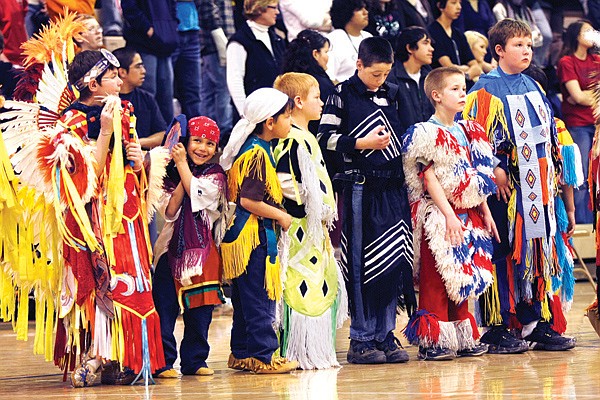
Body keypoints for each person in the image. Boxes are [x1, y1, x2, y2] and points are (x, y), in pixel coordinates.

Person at [463, 18, 577, 354]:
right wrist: (494, 168)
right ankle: (497, 326)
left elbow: (550, 133)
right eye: (518, 45)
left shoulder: (534, 86)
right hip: (504, 188)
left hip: (539, 184)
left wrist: (554, 168)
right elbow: (473, 138)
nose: (526, 50)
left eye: (529, 45)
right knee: (502, 251)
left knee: (537, 249)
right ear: (499, 50)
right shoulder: (484, 89)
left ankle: (536, 321)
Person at [61, 49, 167, 386]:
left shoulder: (124, 112)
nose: (120, 81)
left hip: (128, 213)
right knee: (104, 282)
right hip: (95, 219)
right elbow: (84, 178)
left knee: (134, 279)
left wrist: (139, 161)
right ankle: (98, 355)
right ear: (92, 84)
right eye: (112, 77)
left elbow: (131, 169)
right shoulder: (73, 122)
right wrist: (105, 132)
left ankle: (131, 357)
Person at [318, 36, 415, 364]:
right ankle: (360, 337)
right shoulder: (340, 95)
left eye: (386, 73)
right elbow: (324, 139)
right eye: (375, 73)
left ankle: (386, 332)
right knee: (361, 262)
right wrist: (361, 143)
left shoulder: (395, 92)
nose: (381, 79)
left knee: (395, 260)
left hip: (394, 188)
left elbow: (406, 135)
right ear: (359, 64)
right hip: (360, 188)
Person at [402, 66, 498, 360]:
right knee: (437, 277)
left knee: (464, 276)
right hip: (440, 214)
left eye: (463, 87)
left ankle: (462, 336)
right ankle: (433, 340)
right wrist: (448, 215)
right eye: (454, 88)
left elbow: (477, 176)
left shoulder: (470, 130)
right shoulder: (426, 133)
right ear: (436, 95)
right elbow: (428, 178)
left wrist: (486, 211)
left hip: (470, 212)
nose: (462, 93)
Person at [219, 87, 299, 374]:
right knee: (260, 299)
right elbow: (249, 200)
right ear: (269, 122)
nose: (289, 122)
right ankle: (264, 356)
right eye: (287, 117)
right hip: (253, 239)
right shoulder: (257, 154)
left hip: (242, 238)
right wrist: (281, 215)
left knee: (244, 301)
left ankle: (241, 353)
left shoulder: (256, 147)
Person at [272, 72, 347, 369]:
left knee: (317, 282)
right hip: (300, 228)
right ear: (299, 102)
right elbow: (284, 180)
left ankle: (311, 351)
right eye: (317, 97)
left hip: (313, 228)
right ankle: (298, 351)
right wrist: (307, 209)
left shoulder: (305, 136)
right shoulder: (291, 137)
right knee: (299, 283)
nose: (322, 102)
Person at [152, 116, 228, 378]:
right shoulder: (164, 177)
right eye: (197, 140)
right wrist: (181, 170)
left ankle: (195, 360)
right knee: (165, 306)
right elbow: (171, 211)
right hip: (169, 249)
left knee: (201, 308)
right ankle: (163, 361)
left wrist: (183, 165)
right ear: (185, 142)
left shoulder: (216, 175)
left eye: (209, 143)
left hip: (204, 252)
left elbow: (199, 195)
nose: (202, 148)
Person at [557, 20, 600, 224]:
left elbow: (581, 97)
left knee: (596, 176)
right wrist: (583, 96)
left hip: (597, 124)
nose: (593, 34)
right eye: (588, 31)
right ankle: (582, 225)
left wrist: (582, 96)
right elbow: (577, 96)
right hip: (577, 125)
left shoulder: (597, 60)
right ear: (576, 36)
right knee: (580, 177)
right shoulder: (567, 61)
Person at [226, 0, 287, 119]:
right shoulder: (239, 41)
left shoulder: (277, 39)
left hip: (276, 111)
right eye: (273, 8)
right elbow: (235, 81)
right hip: (254, 114)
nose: (277, 12)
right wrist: (245, 115)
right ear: (259, 9)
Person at [121, 0, 179, 123]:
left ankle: (167, 137)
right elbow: (129, 7)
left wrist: (172, 25)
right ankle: (143, 136)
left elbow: (173, 5)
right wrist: (147, 29)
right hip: (143, 43)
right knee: (146, 94)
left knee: (166, 96)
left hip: (165, 44)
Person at [113, 46, 166, 150]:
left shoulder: (147, 98)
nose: (144, 71)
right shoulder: (107, 101)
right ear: (122, 72)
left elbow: (162, 134)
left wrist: (137, 143)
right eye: (138, 67)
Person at [199, 0, 235, 143]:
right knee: (223, 89)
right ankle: (223, 132)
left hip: (213, 43)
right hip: (217, 43)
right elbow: (208, 11)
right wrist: (221, 40)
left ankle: (207, 131)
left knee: (209, 90)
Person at [387, 26, 435, 129]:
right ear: (409, 48)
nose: (431, 49)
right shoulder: (391, 79)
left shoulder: (431, 76)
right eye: (425, 43)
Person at [428, 0, 481, 87]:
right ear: (440, 6)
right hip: (444, 85)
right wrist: (466, 69)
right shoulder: (433, 31)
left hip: (464, 85)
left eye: (459, 3)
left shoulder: (458, 34)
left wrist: (466, 75)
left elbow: (476, 67)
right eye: (453, 3)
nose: (459, 7)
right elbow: (448, 67)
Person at [326, 0, 372, 84]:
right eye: (359, 9)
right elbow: (329, 77)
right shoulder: (335, 39)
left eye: (365, 8)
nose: (365, 12)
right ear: (346, 12)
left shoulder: (368, 36)